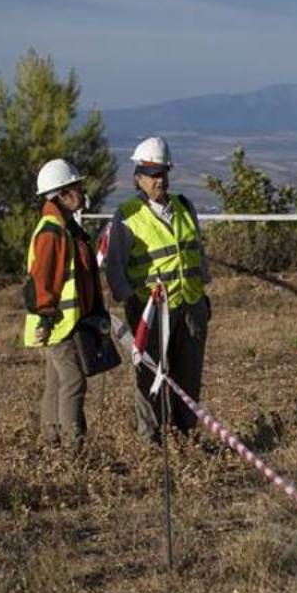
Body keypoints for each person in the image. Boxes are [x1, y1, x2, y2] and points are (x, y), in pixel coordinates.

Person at [104, 136, 212, 442]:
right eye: (151, 174)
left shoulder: (184, 206)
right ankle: (150, 438)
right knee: (150, 375)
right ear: (138, 177)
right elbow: (115, 267)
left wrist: (202, 298)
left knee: (188, 376)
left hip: (190, 306)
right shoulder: (127, 215)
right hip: (150, 311)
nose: (158, 179)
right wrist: (134, 307)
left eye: (162, 172)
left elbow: (197, 253)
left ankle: (185, 436)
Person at [22, 159, 108, 450]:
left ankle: (51, 443)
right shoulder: (52, 232)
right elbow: (42, 281)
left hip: (65, 322)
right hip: (56, 324)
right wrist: (46, 319)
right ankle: (73, 450)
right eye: (77, 186)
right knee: (73, 382)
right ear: (61, 194)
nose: (82, 191)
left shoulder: (66, 228)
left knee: (57, 383)